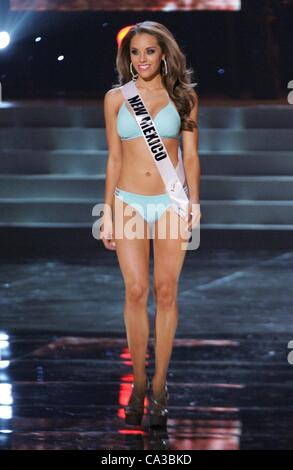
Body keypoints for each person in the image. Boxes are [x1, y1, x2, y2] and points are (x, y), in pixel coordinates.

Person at [102, 20, 201, 428]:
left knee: (165, 291)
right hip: (127, 202)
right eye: (135, 52)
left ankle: (160, 385)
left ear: (164, 54)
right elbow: (113, 158)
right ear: (128, 57)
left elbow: (191, 156)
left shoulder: (185, 98)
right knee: (136, 290)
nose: (141, 59)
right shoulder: (115, 98)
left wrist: (193, 202)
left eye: (150, 51)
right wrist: (106, 211)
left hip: (171, 202)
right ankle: (139, 384)